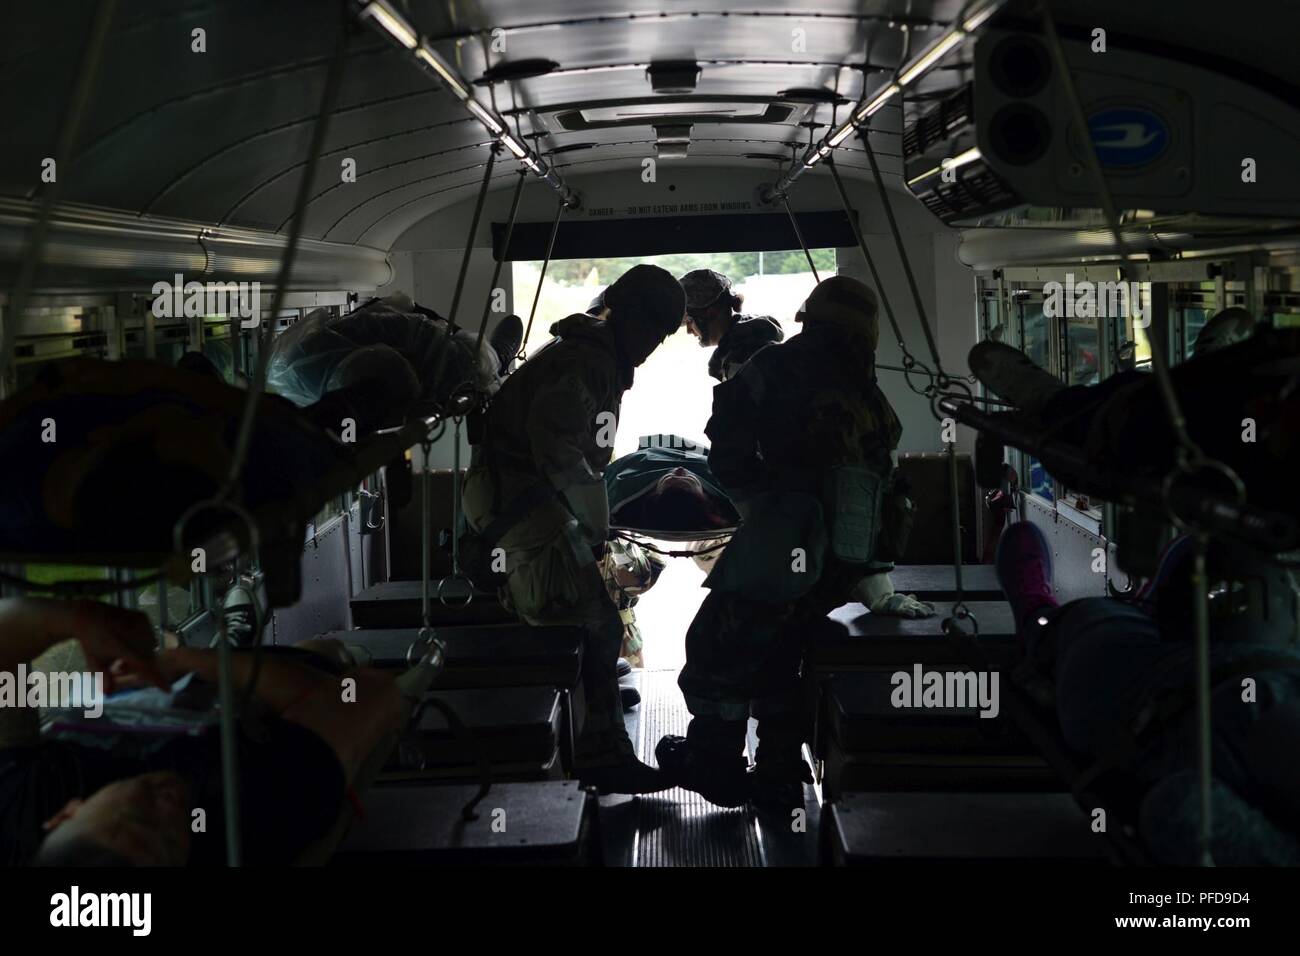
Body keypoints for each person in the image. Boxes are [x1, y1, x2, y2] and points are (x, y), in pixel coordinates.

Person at [655, 275, 907, 812]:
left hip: (781, 544)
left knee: (718, 647)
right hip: (843, 557)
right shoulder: (872, 395)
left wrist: (756, 504)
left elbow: (728, 446)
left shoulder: (773, 367)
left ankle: (715, 761)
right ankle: (777, 768)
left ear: (810, 319)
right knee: (786, 653)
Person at [461, 264, 686, 794]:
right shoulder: (588, 361)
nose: (653, 346)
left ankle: (594, 705)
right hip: (525, 504)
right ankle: (602, 753)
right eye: (652, 331)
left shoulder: (590, 351)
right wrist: (596, 522)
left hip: (518, 497)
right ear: (627, 317)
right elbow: (560, 447)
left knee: (595, 606)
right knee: (594, 620)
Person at [0, 599, 405, 865]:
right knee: (326, 652)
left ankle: (231, 639)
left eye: (137, 815)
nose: (169, 805)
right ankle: (232, 641)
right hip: (257, 695)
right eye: (173, 841)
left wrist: (66, 619)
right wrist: (183, 661)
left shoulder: (23, 807)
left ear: (64, 815)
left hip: (135, 690)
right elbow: (368, 692)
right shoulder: (256, 807)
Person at [995, 521, 1300, 864]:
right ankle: (1145, 605)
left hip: (1153, 695)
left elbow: (1179, 807)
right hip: (1249, 665)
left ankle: (1038, 617)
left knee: (1089, 624)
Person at [968, 308, 1300, 515]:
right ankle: (1215, 362)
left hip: (1128, 440)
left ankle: (1040, 399)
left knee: (1079, 415)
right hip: (1166, 422)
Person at [267, 293, 523, 436]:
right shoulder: (312, 368)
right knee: (482, 367)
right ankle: (497, 357)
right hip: (437, 351)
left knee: (482, 368)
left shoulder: (356, 364)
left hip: (445, 357)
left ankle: (499, 357)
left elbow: (406, 385)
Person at [679, 269, 784, 382]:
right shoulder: (748, 339)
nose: (689, 330)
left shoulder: (740, 358)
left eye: (689, 321)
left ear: (711, 312)